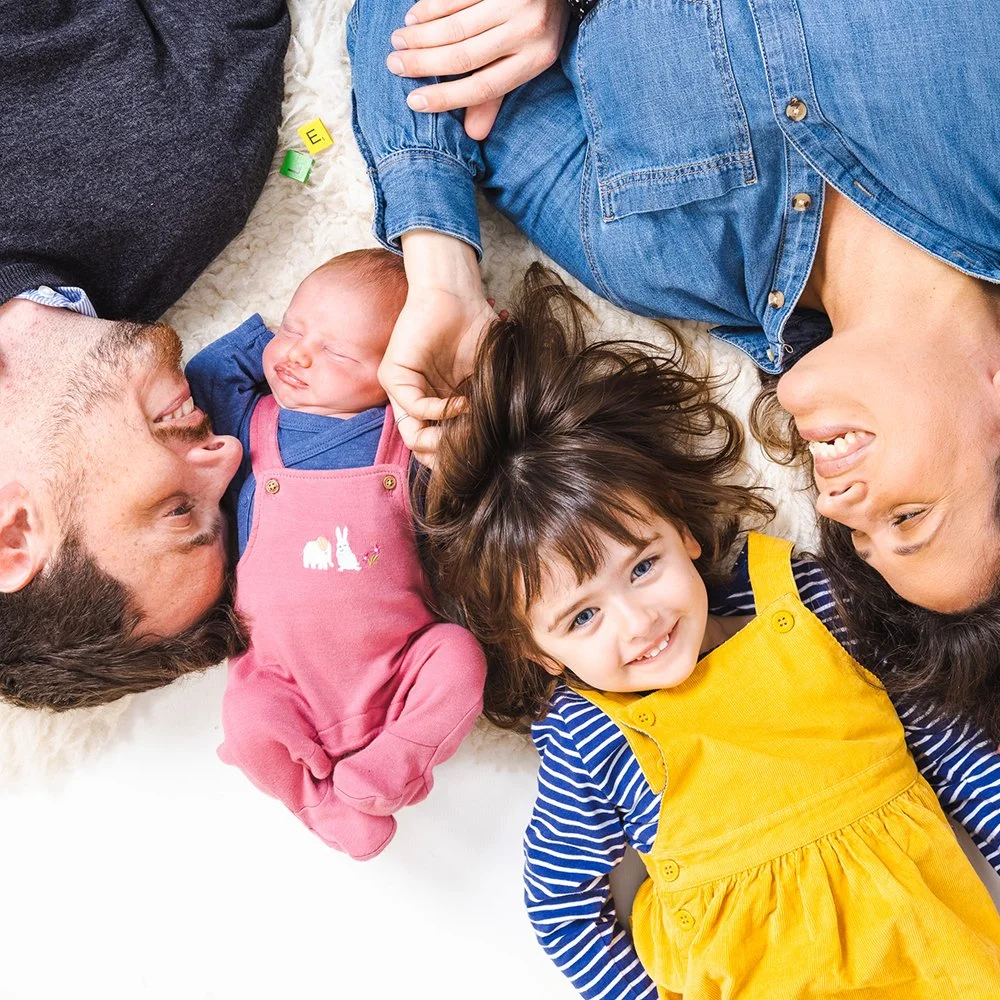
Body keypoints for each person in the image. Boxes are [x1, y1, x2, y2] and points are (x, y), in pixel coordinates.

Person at [346, 0, 1000, 733]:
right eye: (908, 517)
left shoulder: (654, 259)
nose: (837, 505)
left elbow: (410, 39)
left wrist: (440, 276)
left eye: (857, 538)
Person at [419, 266, 1000, 999]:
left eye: (642, 568)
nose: (639, 622)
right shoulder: (587, 736)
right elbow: (561, 907)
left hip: (930, 957)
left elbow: (948, 744)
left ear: (682, 532)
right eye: (583, 617)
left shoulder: (805, 598)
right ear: (541, 652)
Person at [0, 3, 290, 707]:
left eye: (180, 513)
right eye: (219, 502)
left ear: (15, 536)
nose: (223, 454)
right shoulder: (191, 161)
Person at [185, 250, 486, 859]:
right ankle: (319, 804)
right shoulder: (252, 421)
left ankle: (392, 767)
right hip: (281, 678)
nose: (298, 354)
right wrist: (262, 337)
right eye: (294, 328)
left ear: (397, 372)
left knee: (460, 658)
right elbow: (209, 377)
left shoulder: (405, 441)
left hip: (403, 665)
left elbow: (476, 472)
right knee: (246, 721)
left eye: (339, 352)